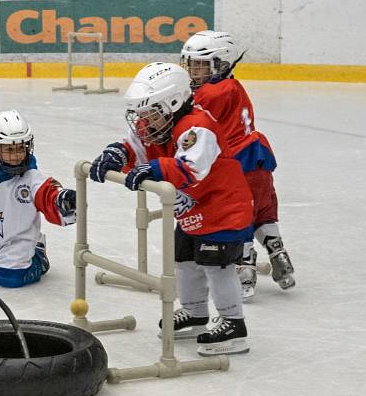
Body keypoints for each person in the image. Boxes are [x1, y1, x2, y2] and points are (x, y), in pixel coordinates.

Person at [89, 63, 253, 356]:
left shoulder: (197, 127)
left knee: (217, 268)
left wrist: (153, 169)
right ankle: (196, 312)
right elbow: (137, 147)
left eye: (148, 112)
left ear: (172, 104)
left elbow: (191, 167)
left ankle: (233, 324)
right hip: (192, 214)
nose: (142, 120)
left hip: (223, 211)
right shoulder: (156, 126)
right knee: (185, 262)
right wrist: (117, 153)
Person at [181, 30, 295, 299]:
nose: (194, 70)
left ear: (221, 63)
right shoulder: (234, 85)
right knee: (263, 212)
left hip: (237, 165)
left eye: (201, 65)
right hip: (259, 159)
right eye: (193, 64)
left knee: (238, 217)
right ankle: (278, 252)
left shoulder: (210, 93)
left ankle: (245, 275)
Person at [0, 110, 76, 288]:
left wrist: (64, 200)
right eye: (9, 149)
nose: (16, 154)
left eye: (20, 147)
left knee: (10, 279)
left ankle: (38, 254)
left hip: (20, 241)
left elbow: (50, 195)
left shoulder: (33, 178)